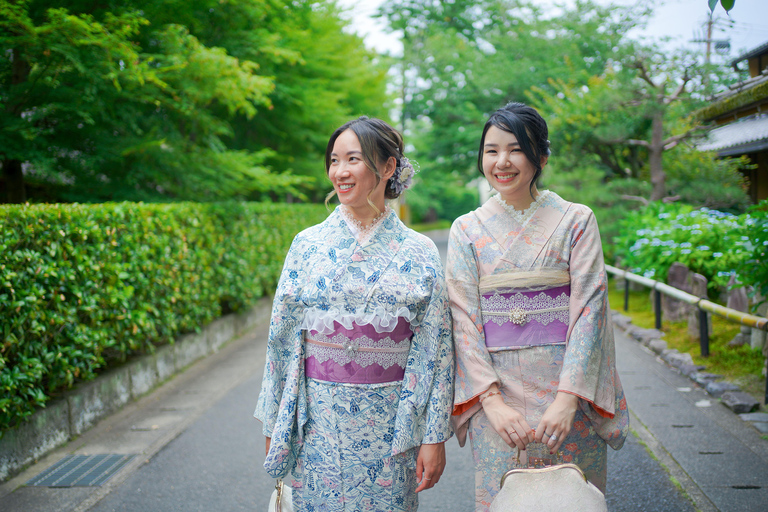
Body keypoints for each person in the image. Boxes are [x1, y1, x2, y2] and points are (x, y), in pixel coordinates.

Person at [254, 116, 454, 511]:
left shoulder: (419, 250)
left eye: (353, 160)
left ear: (388, 167)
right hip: (319, 423)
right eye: (334, 161)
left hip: (392, 422)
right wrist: (277, 424)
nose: (339, 172)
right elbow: (281, 340)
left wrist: (433, 437)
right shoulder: (308, 245)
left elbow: (437, 352)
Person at [446, 102, 629, 510]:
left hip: (569, 401)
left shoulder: (576, 220)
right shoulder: (466, 229)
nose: (502, 161)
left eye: (516, 149)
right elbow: (462, 320)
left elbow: (589, 312)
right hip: (498, 410)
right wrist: (491, 404)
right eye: (491, 150)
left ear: (541, 156)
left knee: (573, 500)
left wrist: (567, 400)